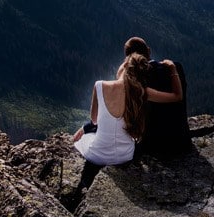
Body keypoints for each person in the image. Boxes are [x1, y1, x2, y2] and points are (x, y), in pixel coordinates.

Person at [71, 37, 183, 166]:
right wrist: (173, 69)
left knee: (85, 139)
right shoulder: (142, 92)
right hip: (126, 155)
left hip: (98, 156)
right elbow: (177, 96)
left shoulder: (99, 85)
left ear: (124, 66)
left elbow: (94, 120)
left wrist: (87, 127)